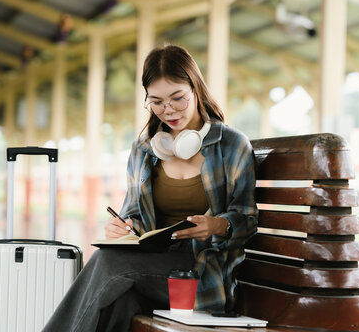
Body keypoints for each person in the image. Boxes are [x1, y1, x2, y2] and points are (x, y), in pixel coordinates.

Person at [44, 44, 258, 332]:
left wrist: (218, 225)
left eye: (178, 98)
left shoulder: (232, 146)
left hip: (203, 273)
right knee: (120, 304)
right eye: (156, 101)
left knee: (108, 264)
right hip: (152, 268)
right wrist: (123, 227)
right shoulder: (145, 149)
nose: (167, 110)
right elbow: (131, 212)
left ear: (196, 89)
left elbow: (247, 218)